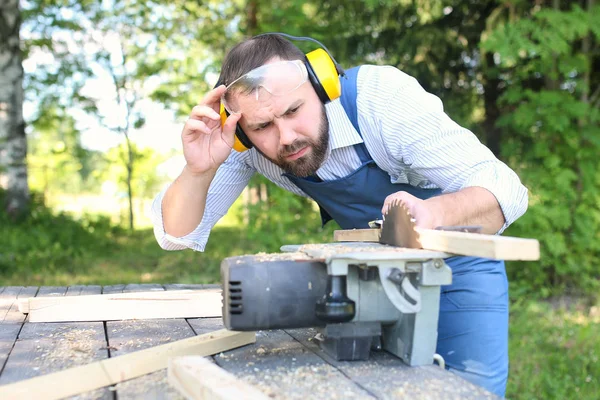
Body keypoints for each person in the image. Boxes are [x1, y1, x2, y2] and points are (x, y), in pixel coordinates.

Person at [151, 33, 528, 397]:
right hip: (371, 275)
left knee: (468, 392)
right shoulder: (243, 143)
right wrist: (197, 171)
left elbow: (506, 190)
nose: (285, 138)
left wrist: (433, 211)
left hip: (459, 265)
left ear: (322, 85)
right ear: (242, 132)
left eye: (294, 111)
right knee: (373, 386)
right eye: (263, 127)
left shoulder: (383, 100)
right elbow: (177, 233)